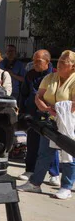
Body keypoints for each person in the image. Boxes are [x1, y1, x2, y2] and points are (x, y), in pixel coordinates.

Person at [18, 50, 75, 200]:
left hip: (69, 122)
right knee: (44, 153)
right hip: (49, 119)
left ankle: (66, 186)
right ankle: (35, 183)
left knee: (67, 155)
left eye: (64, 63)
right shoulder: (50, 77)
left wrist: (58, 109)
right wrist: (47, 108)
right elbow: (39, 96)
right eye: (60, 61)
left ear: (72, 66)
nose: (60, 64)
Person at [18, 50, 58, 183]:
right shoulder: (30, 74)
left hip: (49, 114)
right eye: (33, 60)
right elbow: (23, 93)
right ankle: (30, 170)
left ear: (47, 61)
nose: (34, 63)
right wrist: (21, 110)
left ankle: (54, 174)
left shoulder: (55, 75)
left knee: (51, 144)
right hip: (32, 114)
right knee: (32, 142)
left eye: (38, 61)